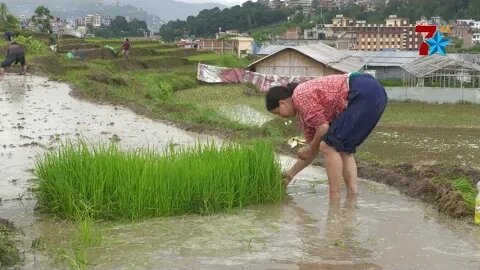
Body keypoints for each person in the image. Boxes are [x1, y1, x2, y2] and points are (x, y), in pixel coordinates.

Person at [266, 73, 387, 200]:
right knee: (343, 148)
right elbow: (312, 150)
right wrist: (290, 174)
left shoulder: (299, 96)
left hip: (362, 89)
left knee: (328, 145)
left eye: (278, 113)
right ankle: (352, 197)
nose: (281, 116)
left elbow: (323, 129)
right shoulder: (305, 117)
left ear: (282, 103)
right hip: (375, 93)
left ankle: (334, 198)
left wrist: (311, 148)